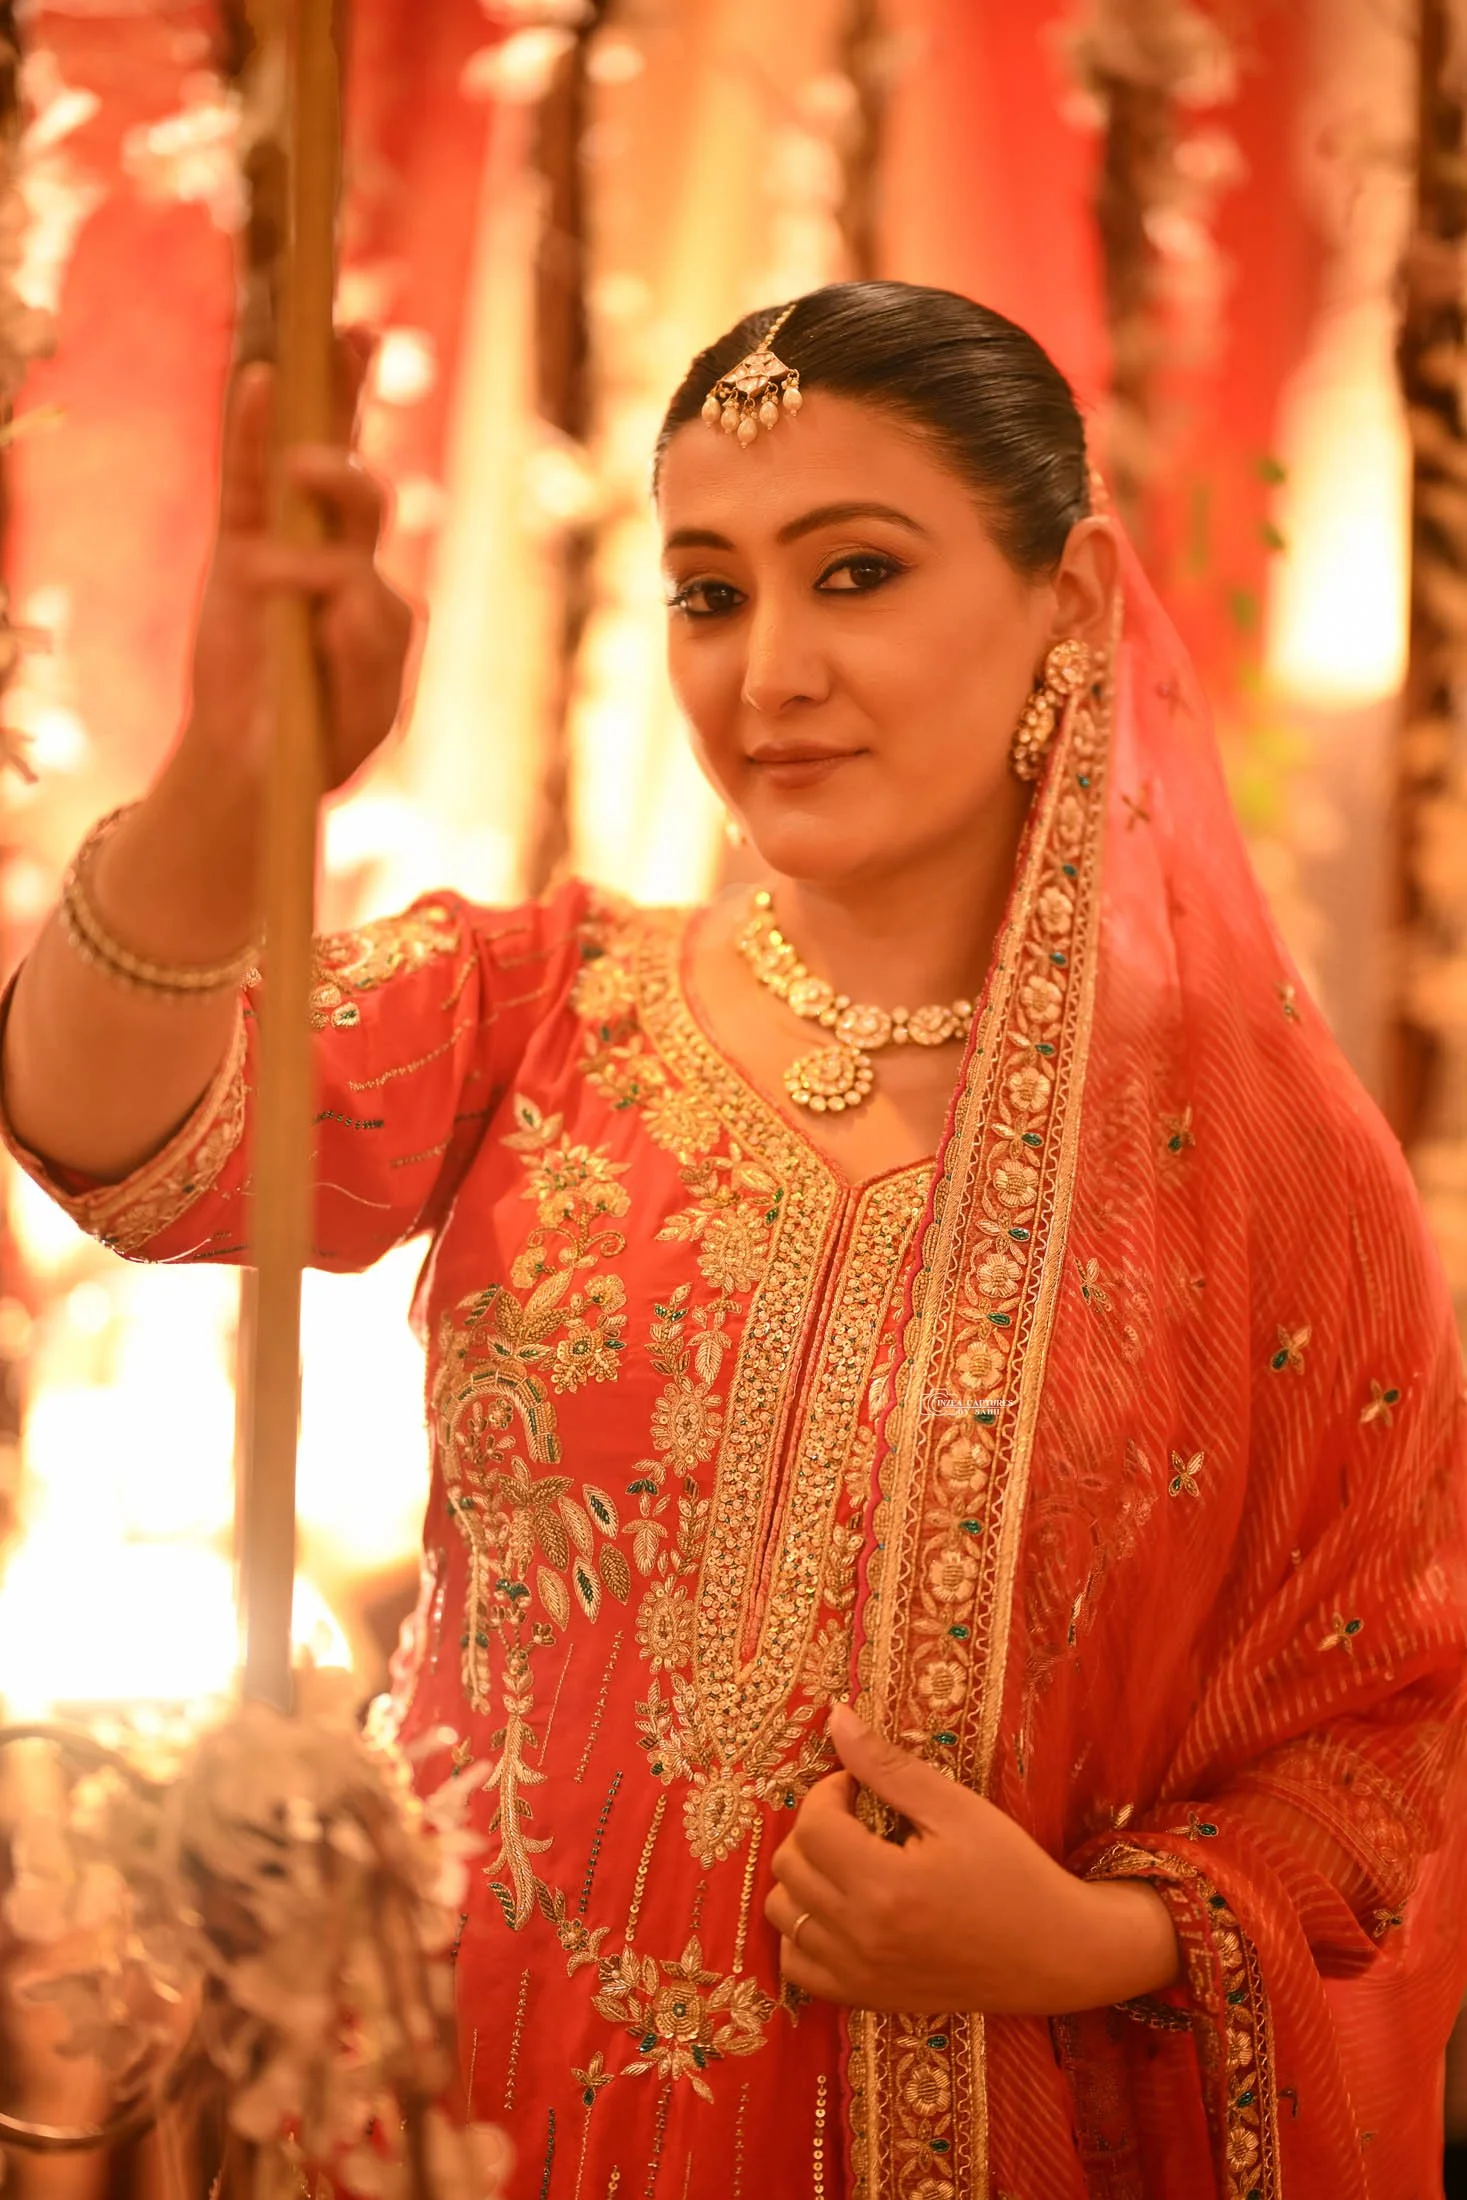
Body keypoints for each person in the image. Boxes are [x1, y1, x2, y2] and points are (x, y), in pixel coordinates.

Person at [2, 279, 1465, 2199]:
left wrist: (1089, 1940)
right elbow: (110, 1129)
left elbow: (1387, 1732)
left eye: (853, 573)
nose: (765, 667)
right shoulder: (541, 1007)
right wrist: (232, 773)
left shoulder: (1262, 1169)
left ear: (1075, 601)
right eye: (709, 590)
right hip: (466, 2099)